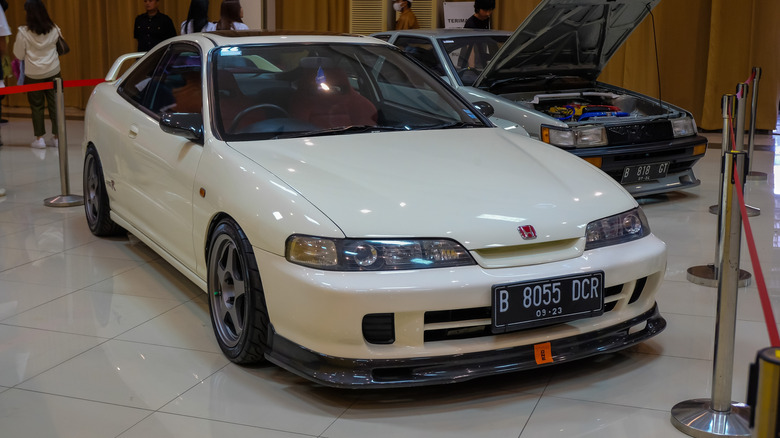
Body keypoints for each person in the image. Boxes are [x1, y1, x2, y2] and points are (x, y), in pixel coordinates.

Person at [12, 0, 61, 150]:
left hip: (33, 75)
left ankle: (39, 139)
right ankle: (57, 138)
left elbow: (18, 54)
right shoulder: (54, 29)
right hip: (53, 71)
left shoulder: (23, 32)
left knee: (37, 106)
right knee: (55, 105)